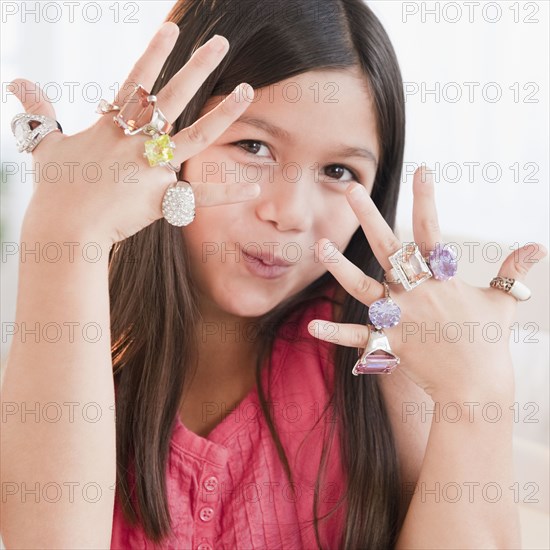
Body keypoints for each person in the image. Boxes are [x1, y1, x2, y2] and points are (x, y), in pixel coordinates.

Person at [1, 0, 546, 548]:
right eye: (253, 146)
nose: (289, 213)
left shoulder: (383, 365)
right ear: (170, 144)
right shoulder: (72, 348)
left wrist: (478, 395)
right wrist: (65, 234)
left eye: (338, 171)